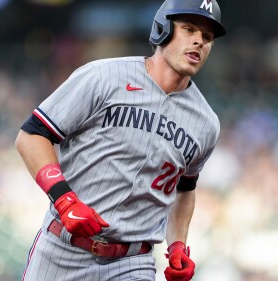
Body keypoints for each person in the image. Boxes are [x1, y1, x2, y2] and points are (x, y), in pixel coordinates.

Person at [15, 0, 227, 280]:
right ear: (162, 30)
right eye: (189, 29)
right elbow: (31, 135)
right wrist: (64, 199)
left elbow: (184, 188)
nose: (199, 41)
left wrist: (177, 245)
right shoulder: (103, 77)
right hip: (61, 252)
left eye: (207, 37)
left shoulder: (206, 123)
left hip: (131, 263)